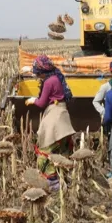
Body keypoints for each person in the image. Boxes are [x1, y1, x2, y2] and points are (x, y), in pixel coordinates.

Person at [27, 55, 77, 192]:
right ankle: (67, 179)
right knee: (63, 150)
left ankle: (54, 183)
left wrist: (33, 101)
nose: (36, 75)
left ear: (42, 72)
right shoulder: (57, 77)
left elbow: (42, 102)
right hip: (62, 115)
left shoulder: (49, 82)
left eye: (37, 72)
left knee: (45, 150)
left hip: (54, 117)